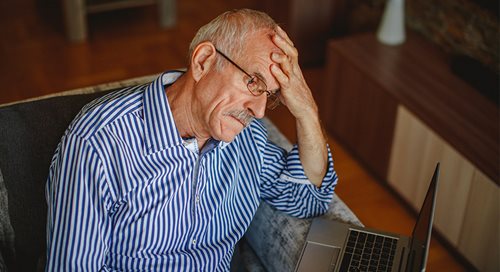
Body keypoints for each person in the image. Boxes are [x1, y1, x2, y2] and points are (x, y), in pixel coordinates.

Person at [45, 8, 338, 271]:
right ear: (204, 61)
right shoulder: (98, 142)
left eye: (270, 95)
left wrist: (307, 111)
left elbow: (306, 198)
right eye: (254, 82)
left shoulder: (248, 139)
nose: (259, 110)